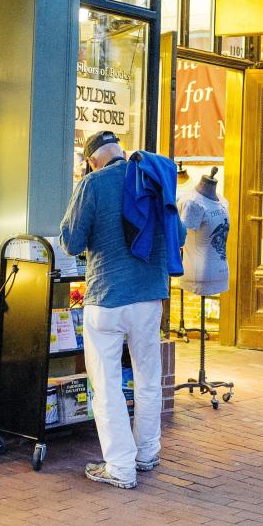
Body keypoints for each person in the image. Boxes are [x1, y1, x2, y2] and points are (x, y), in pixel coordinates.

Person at [60, 131, 182, 489]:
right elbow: (179, 231)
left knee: (107, 386)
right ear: (120, 151)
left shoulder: (92, 184)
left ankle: (120, 467)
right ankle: (146, 453)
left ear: (92, 160)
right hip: (149, 297)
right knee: (147, 377)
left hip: (108, 298)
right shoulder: (154, 176)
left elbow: (71, 241)